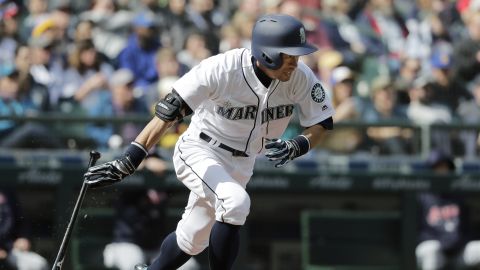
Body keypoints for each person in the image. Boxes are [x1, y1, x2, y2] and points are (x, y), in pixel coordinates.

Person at [84, 14, 334, 270]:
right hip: (201, 149)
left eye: (298, 55)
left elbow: (322, 122)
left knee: (192, 239)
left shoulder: (300, 77)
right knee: (236, 203)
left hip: (243, 162)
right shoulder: (223, 68)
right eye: (289, 54)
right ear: (267, 53)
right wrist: (129, 160)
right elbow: (168, 111)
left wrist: (299, 145)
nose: (295, 61)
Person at [416, 150, 480, 270]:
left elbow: (467, 229)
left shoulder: (460, 196)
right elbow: (417, 232)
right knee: (432, 250)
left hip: (458, 251)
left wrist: (456, 242)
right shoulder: (421, 196)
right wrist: (442, 241)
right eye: (437, 168)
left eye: (445, 168)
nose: (442, 172)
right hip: (433, 250)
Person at [0, 190, 49, 270]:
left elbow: (21, 222)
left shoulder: (7, 193)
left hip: (10, 250)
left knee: (39, 265)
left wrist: (23, 237)